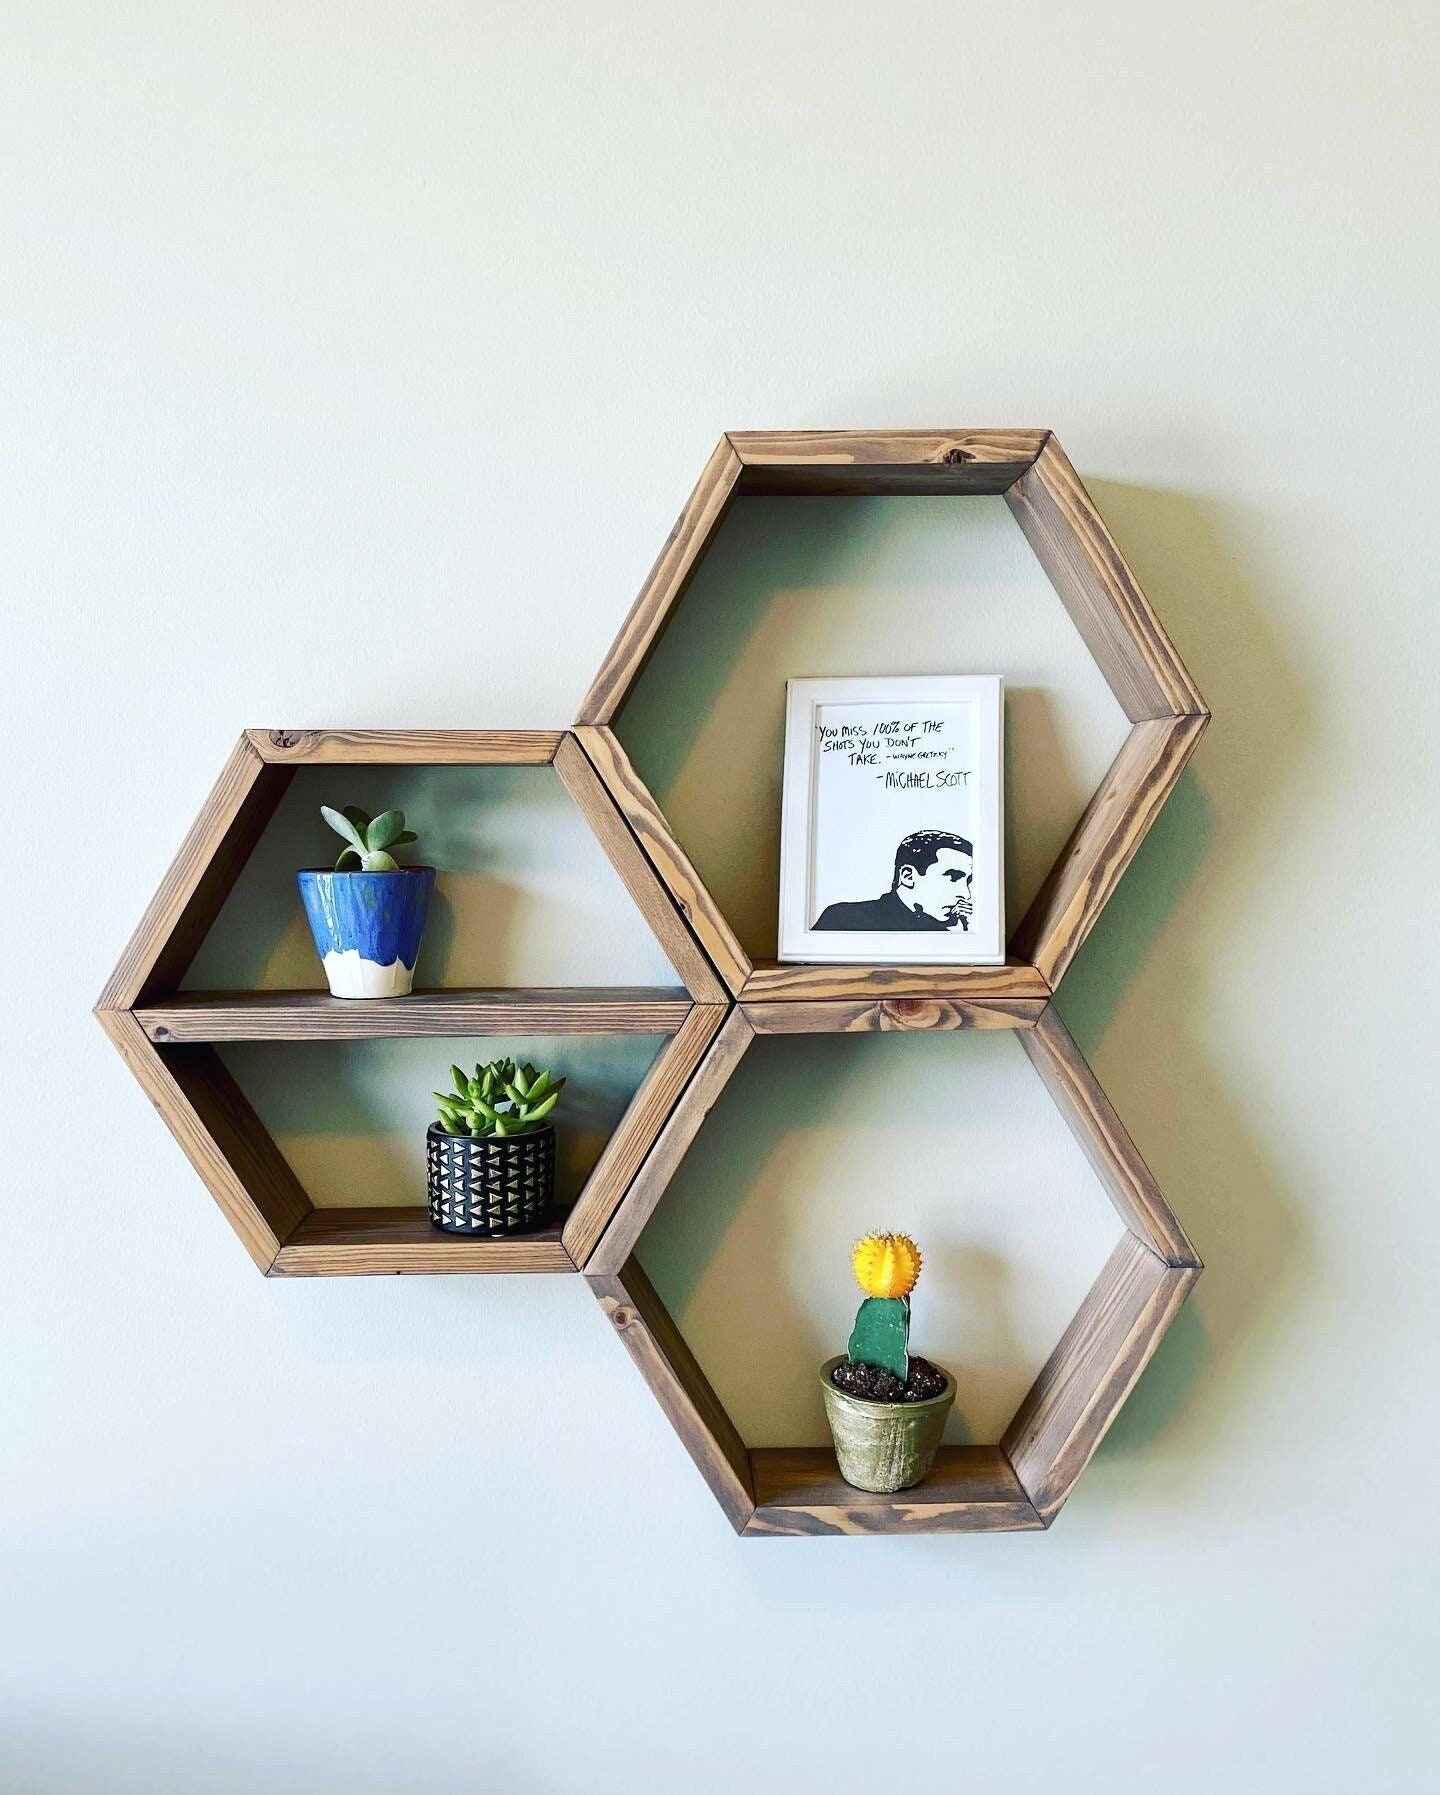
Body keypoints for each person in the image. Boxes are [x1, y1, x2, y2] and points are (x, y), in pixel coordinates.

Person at [813, 830, 974, 932]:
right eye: (953, 878)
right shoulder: (842, 918)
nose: (966, 895)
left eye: (968, 881)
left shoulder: (945, 932)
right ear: (908, 876)